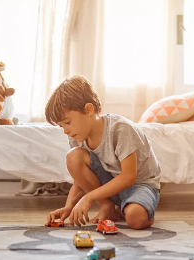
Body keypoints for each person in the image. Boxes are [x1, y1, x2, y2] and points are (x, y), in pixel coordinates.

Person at [45, 75, 161, 229]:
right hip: (110, 186)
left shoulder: (121, 129)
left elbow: (129, 177)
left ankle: (140, 209)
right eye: (61, 126)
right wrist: (69, 206)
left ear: (88, 110)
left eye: (67, 122)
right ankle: (108, 207)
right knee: (73, 156)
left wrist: (89, 198)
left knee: (135, 218)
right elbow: (81, 179)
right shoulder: (77, 136)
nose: (66, 130)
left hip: (140, 185)